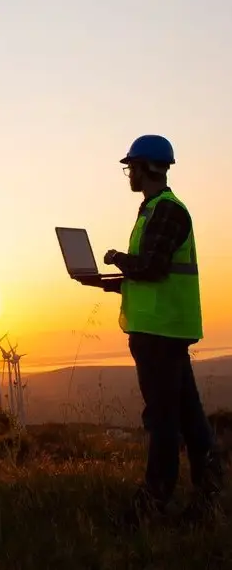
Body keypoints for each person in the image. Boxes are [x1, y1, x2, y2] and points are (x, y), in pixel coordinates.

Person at [79, 134, 223, 526]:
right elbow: (149, 273)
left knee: (162, 418)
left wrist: (116, 259)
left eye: (131, 167)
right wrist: (105, 281)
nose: (129, 173)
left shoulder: (167, 211)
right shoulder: (153, 210)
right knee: (189, 415)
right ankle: (210, 496)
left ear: (145, 167)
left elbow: (153, 267)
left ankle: (153, 500)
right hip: (162, 330)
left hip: (161, 333)